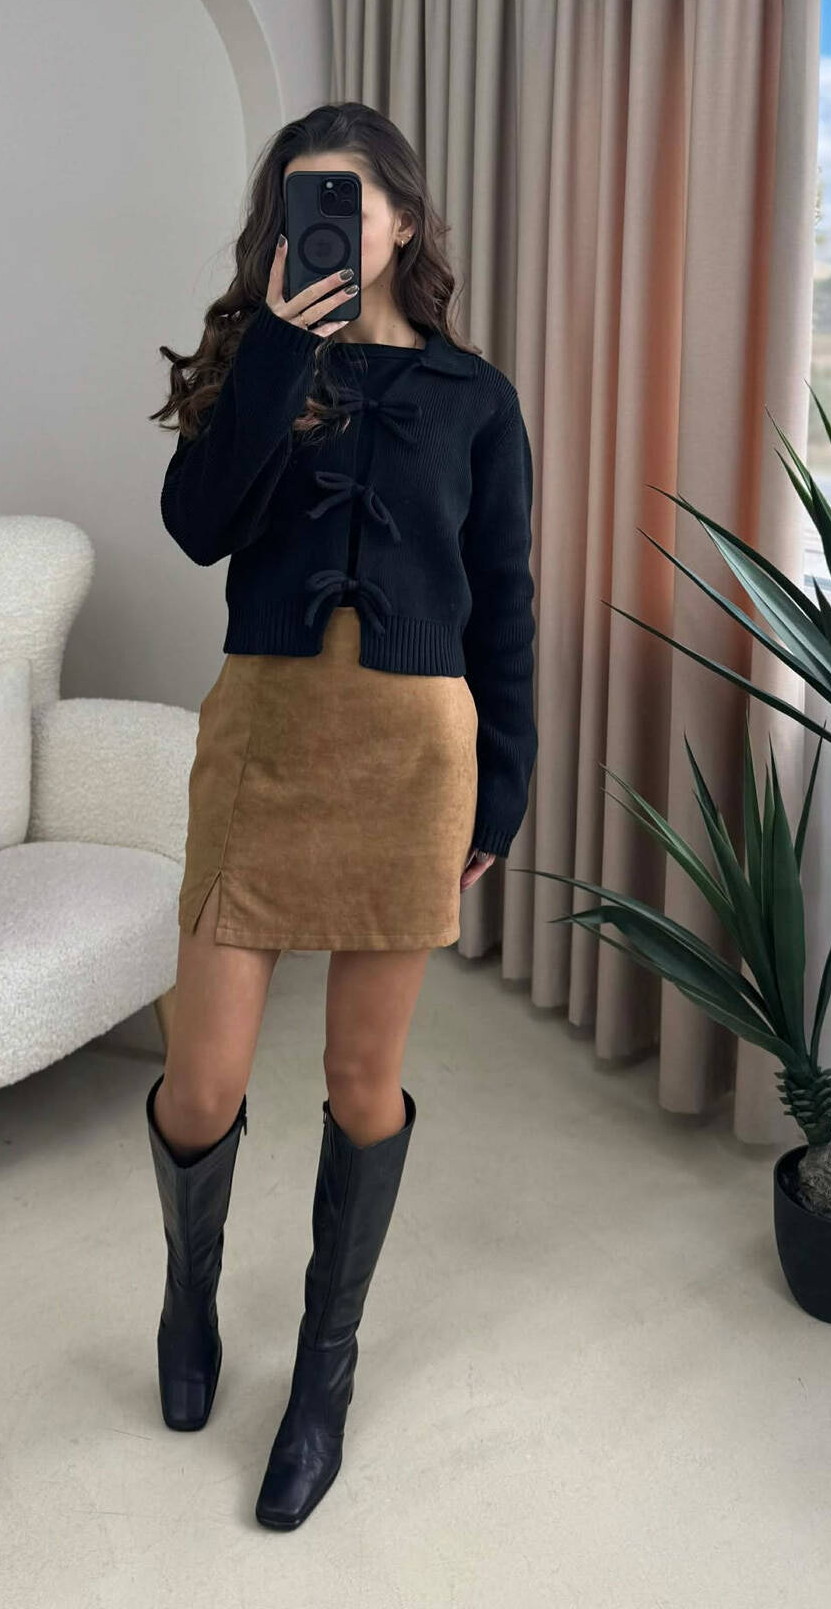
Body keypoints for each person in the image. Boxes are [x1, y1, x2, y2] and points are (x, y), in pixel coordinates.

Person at [144, 101, 536, 1530]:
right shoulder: (259, 362)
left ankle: (323, 1377)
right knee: (204, 1084)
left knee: (363, 1084)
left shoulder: (478, 400)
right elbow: (198, 525)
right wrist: (277, 350)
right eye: (306, 202)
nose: (333, 223)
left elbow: (505, 604)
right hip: (264, 742)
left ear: (403, 223)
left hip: (413, 759)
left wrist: (507, 784)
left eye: (356, 200)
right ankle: (189, 1303)